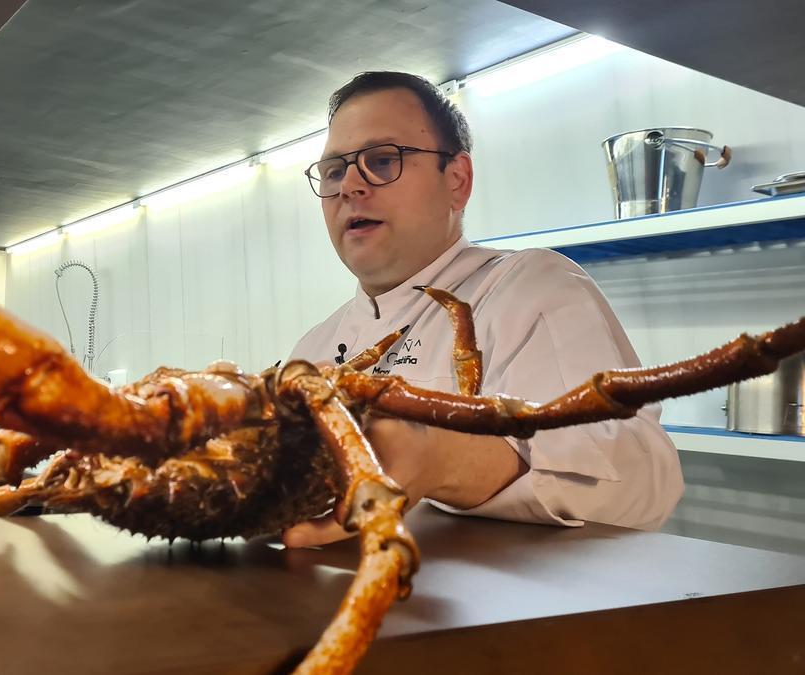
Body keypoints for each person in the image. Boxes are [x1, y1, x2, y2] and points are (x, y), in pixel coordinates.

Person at [282, 72, 683, 548]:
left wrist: (444, 461)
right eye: (333, 171)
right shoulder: (314, 347)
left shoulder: (530, 288)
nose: (349, 185)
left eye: (382, 160)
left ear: (457, 181)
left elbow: (638, 481)